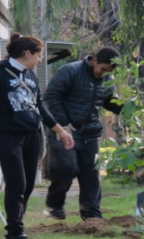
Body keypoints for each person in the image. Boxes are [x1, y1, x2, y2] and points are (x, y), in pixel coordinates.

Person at [0, 33, 74, 239]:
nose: (40, 60)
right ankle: (14, 235)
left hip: (32, 135)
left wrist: (60, 131)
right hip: (7, 137)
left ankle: (17, 228)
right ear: (26, 53)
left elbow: (40, 107)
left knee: (27, 185)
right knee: (16, 183)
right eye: (39, 55)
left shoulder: (31, 76)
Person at [44, 47, 123, 220]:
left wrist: (127, 107)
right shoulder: (70, 71)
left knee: (91, 174)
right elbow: (51, 95)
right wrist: (64, 124)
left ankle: (91, 215)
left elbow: (108, 102)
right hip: (65, 130)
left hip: (91, 133)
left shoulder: (107, 78)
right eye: (102, 69)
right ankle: (55, 203)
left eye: (108, 72)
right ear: (94, 60)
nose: (103, 74)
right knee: (66, 167)